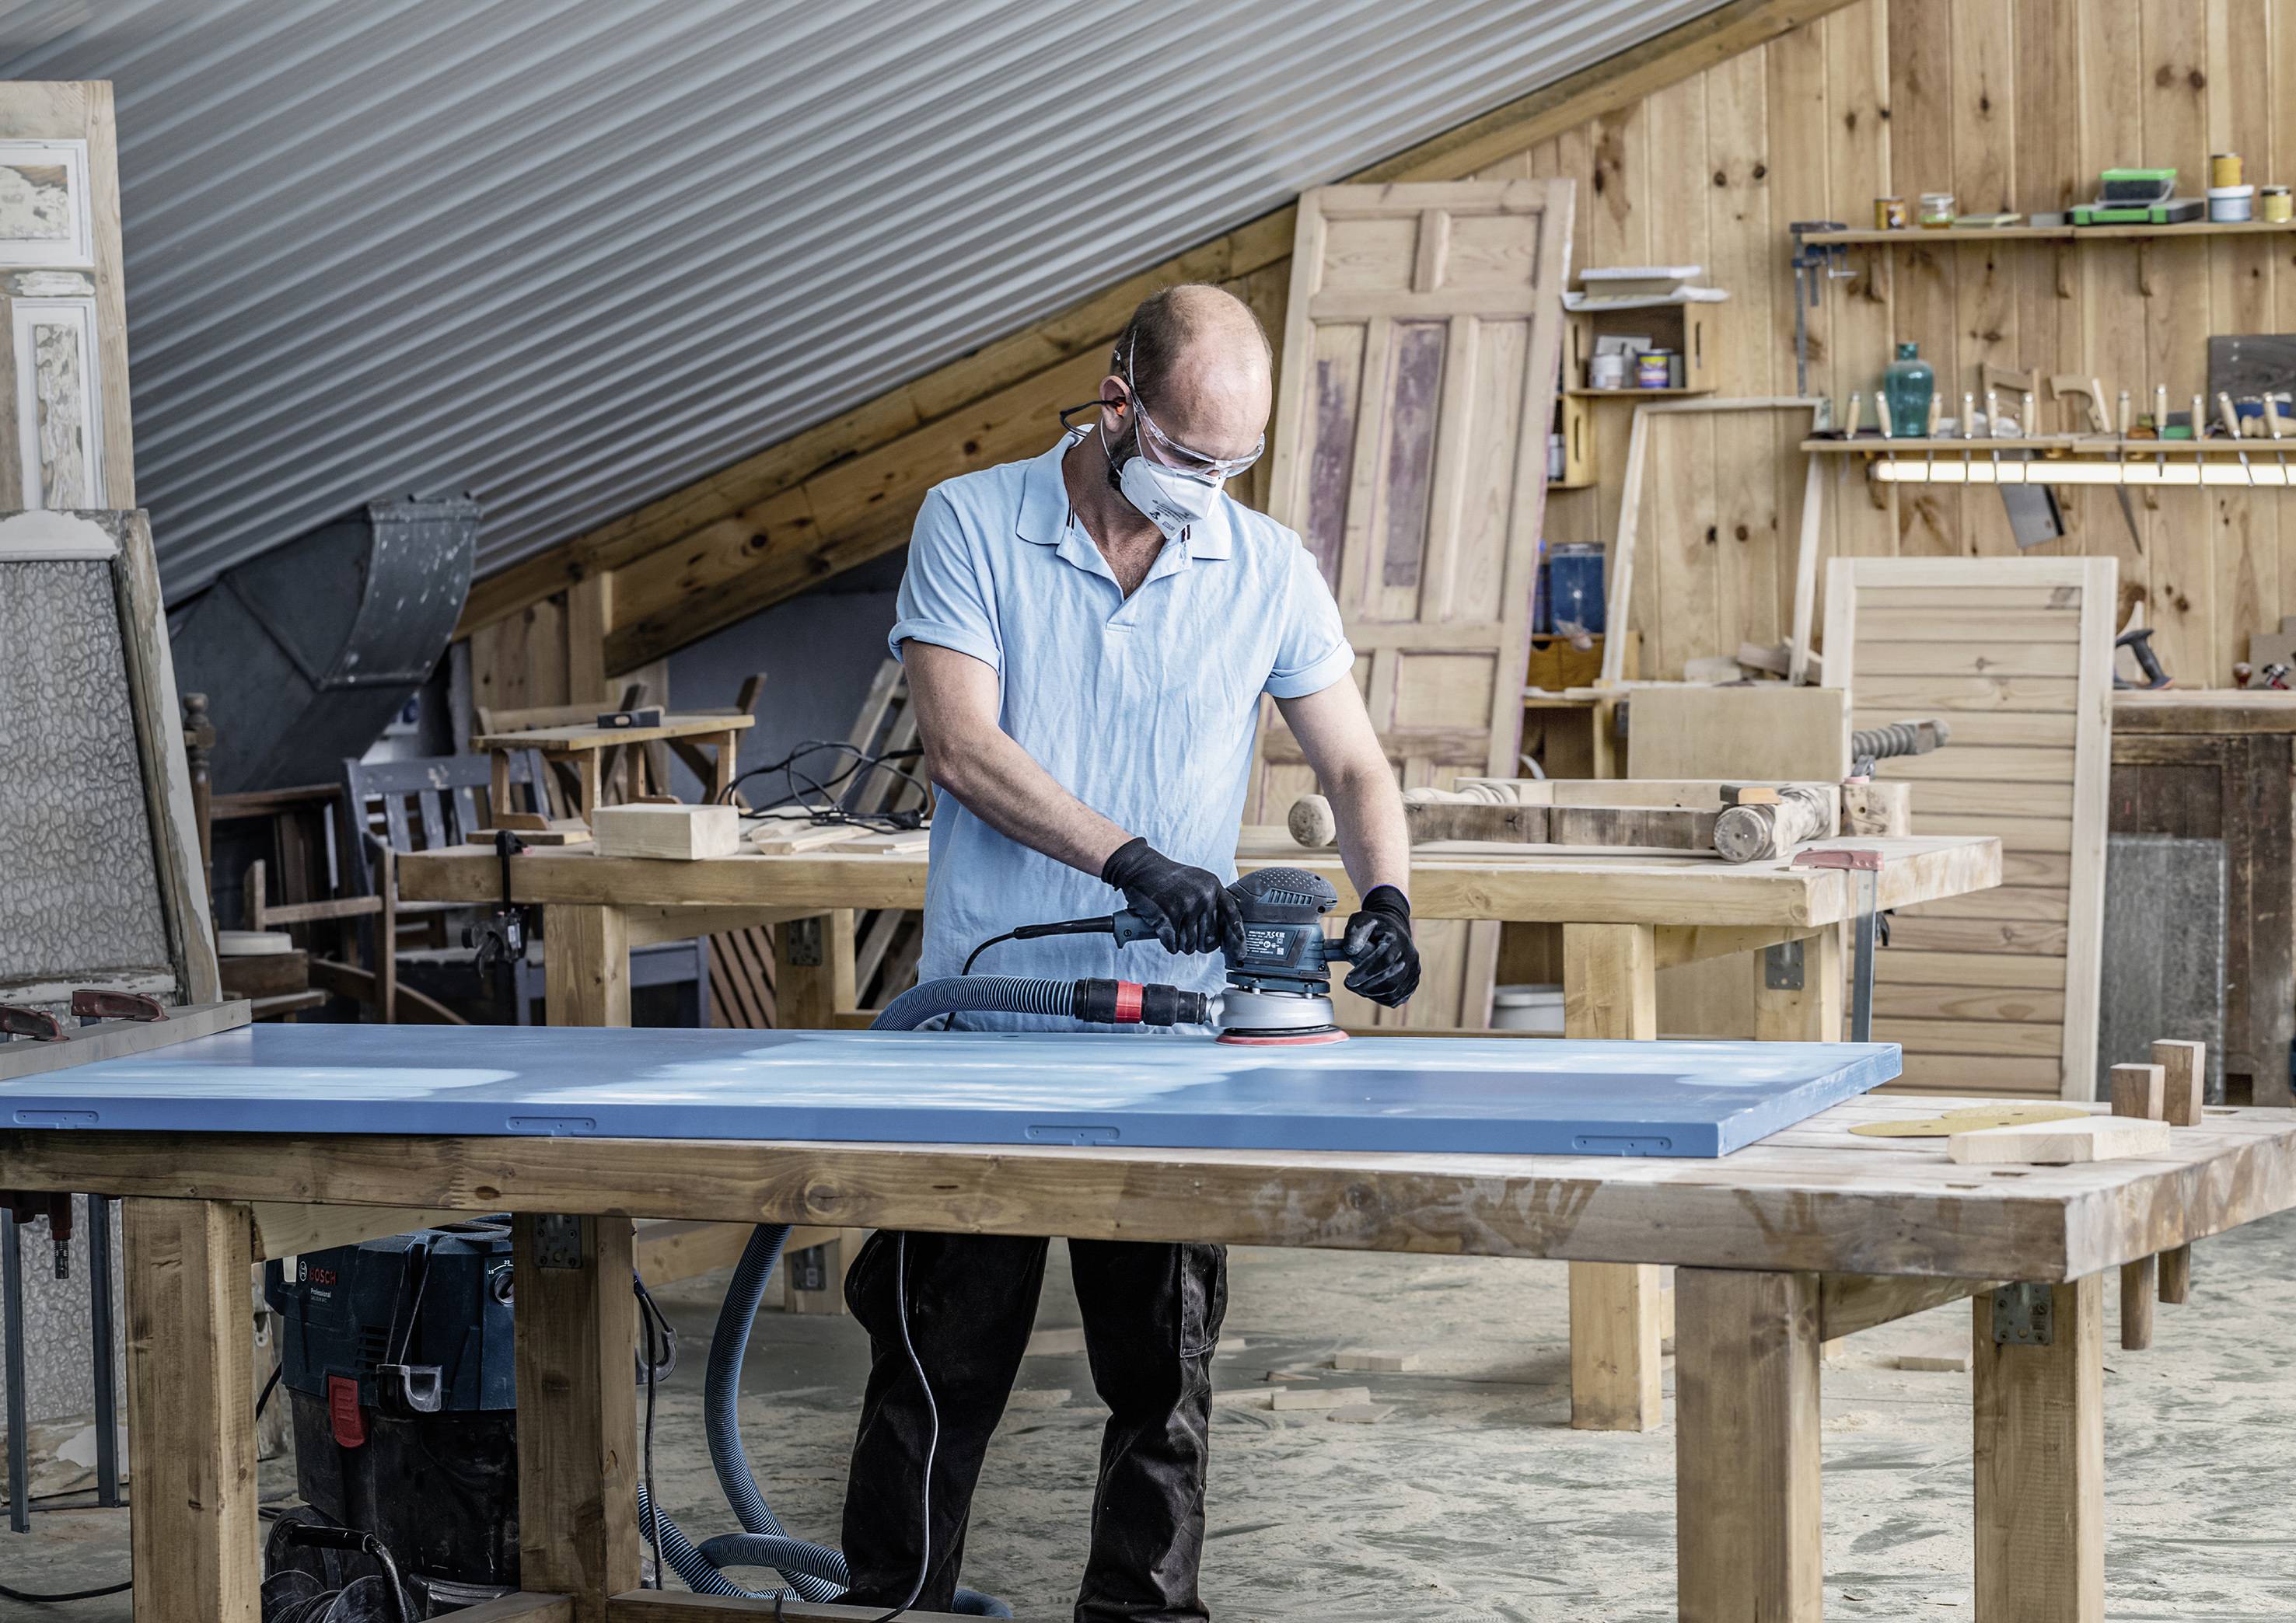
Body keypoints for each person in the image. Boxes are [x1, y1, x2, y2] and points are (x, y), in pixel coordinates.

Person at [840, 283, 1415, 1621]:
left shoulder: (1262, 565)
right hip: (986, 1031)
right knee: (935, 1366)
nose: (1209, 487)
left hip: (1175, 1046)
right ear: (1116, 407)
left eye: (1237, 464)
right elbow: (962, 747)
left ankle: (1142, 1615)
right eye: (1187, 456)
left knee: (1163, 1377)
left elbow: (1356, 762)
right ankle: (891, 1607)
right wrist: (1132, 860)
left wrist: (1387, 898)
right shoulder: (973, 522)